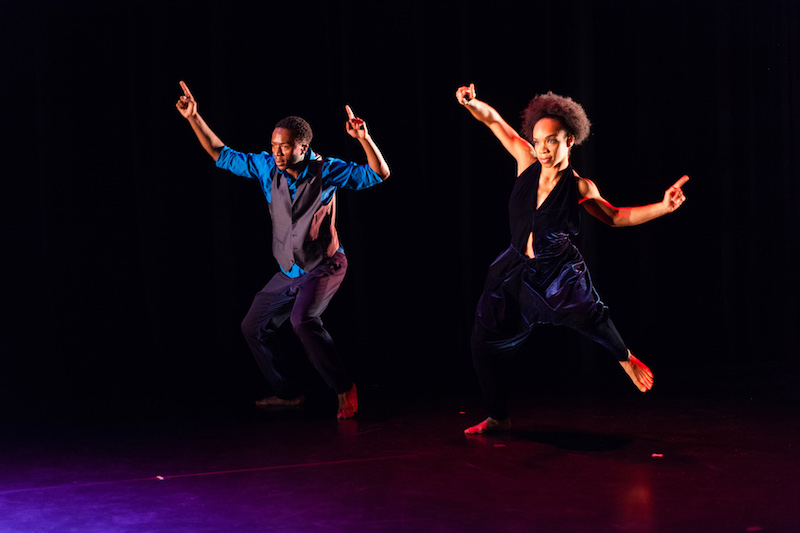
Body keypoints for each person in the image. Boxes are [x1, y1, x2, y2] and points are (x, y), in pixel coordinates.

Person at [455, 83, 688, 434]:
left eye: (551, 140)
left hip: (556, 272)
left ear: (569, 141)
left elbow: (615, 216)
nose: (543, 149)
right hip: (514, 271)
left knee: (590, 316)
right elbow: (494, 122)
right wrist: (473, 102)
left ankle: (625, 358)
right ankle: (498, 417)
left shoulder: (580, 187)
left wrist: (664, 207)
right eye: (537, 141)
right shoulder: (525, 160)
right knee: (482, 343)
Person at [176, 81, 390, 419]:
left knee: (302, 320)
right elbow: (221, 152)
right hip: (290, 270)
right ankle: (288, 393)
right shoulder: (265, 167)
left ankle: (344, 387)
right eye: (274, 146)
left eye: (285, 147)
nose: (277, 153)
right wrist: (194, 117)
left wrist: (364, 138)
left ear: (303, 147)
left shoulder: (326, 170)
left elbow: (379, 173)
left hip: (325, 265)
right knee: (251, 326)